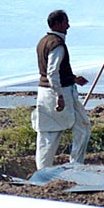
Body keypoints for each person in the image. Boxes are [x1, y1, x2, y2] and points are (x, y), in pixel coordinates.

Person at [32, 10, 91, 170]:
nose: (68, 26)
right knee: (50, 134)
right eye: (66, 22)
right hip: (58, 93)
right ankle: (44, 172)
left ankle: (75, 166)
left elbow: (52, 71)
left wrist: (73, 78)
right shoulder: (56, 45)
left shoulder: (43, 41)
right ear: (57, 24)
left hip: (51, 91)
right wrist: (59, 95)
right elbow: (51, 72)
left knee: (82, 126)